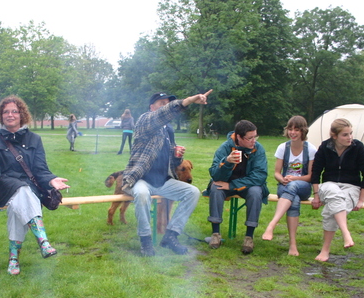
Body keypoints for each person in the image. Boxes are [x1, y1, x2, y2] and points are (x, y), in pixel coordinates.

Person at [0, 95, 70, 275]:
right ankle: (43, 241)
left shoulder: (34, 139)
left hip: (29, 187)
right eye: (6, 112)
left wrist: (51, 179)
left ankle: (13, 258)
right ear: (1, 116)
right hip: (3, 186)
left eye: (15, 111)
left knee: (18, 205)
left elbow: (40, 169)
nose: (10, 115)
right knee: (21, 191)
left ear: (22, 115)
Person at [121, 90, 212, 256]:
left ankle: (171, 236)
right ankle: (146, 240)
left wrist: (177, 156)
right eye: (162, 103)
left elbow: (172, 161)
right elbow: (162, 114)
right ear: (152, 107)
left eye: (167, 103)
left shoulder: (168, 130)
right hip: (141, 179)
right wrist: (189, 100)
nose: (165, 106)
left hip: (162, 181)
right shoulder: (145, 121)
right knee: (141, 195)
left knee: (192, 192)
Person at [310, 118, 364, 262]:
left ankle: (325, 250)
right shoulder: (325, 147)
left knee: (332, 209)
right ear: (334, 135)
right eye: (345, 134)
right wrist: (316, 195)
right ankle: (346, 233)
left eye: (351, 133)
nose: (349, 137)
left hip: (352, 188)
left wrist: (361, 199)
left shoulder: (358, 147)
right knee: (333, 192)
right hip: (328, 186)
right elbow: (316, 172)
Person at [204, 120, 269, 254]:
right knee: (216, 188)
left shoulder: (258, 149)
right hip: (226, 183)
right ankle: (215, 234)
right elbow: (215, 174)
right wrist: (227, 162)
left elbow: (260, 176)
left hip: (247, 185)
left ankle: (249, 237)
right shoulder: (225, 148)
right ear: (239, 137)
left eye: (255, 137)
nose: (253, 141)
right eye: (249, 138)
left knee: (256, 191)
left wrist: (232, 185)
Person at [262, 116, 317, 256]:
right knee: (294, 200)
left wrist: (294, 178)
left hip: (303, 186)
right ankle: (293, 245)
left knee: (293, 186)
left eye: (297, 130)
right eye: (290, 129)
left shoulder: (310, 149)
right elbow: (276, 173)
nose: (293, 132)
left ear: (303, 131)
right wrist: (283, 179)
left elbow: (311, 176)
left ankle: (272, 224)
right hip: (285, 187)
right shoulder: (283, 148)